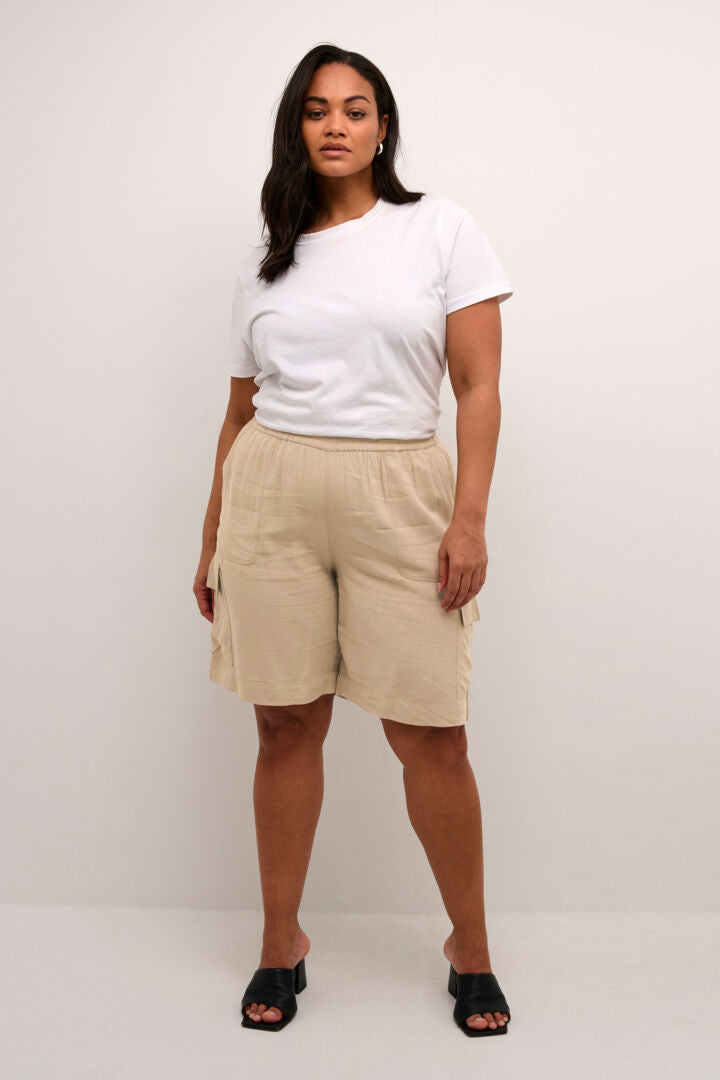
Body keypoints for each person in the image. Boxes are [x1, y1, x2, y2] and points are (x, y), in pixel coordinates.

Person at [193, 44, 514, 1037]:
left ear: (383, 129)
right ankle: (280, 941)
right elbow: (239, 412)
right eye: (317, 109)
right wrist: (210, 535)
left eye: (356, 108)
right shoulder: (268, 259)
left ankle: (471, 948)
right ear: (296, 128)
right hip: (271, 493)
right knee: (285, 726)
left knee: (432, 736)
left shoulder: (439, 230)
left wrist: (469, 520)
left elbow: (479, 388)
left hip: (399, 492)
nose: (336, 124)